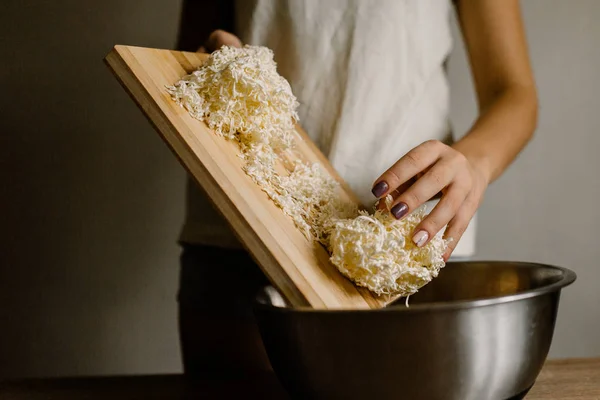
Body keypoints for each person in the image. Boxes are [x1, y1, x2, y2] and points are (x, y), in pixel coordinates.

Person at [175, 0, 538, 377]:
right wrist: (213, 56)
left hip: (403, 250)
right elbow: (190, 49)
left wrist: (474, 165)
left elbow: (513, 92)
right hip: (240, 230)